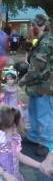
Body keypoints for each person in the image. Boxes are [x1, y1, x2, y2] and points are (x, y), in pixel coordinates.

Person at [19, 14, 53, 157]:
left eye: (34, 25)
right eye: (31, 25)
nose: (31, 28)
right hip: (36, 86)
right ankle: (33, 137)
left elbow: (36, 68)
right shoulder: (41, 40)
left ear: (43, 26)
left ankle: (48, 143)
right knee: (33, 112)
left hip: (44, 87)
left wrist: (20, 81)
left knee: (44, 116)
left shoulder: (46, 43)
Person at [0, 105, 46, 181]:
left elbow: (19, 156)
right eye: (22, 121)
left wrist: (39, 165)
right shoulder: (0, 139)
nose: (24, 124)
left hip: (12, 175)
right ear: (14, 124)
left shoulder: (14, 137)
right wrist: (5, 174)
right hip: (0, 177)